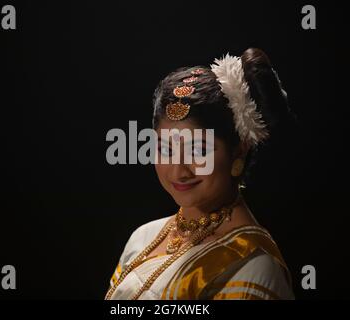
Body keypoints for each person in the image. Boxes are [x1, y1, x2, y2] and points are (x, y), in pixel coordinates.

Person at [105, 48, 296, 300]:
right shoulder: (143, 237)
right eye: (165, 148)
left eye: (198, 150)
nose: (178, 170)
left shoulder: (253, 265)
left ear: (239, 150)